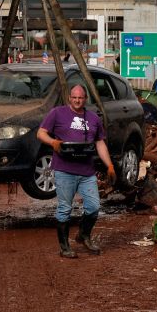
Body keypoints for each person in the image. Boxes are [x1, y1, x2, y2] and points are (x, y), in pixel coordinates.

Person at [37, 84, 115, 258]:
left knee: (94, 207)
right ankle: (64, 247)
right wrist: (53, 143)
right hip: (65, 169)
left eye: (80, 98)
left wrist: (109, 165)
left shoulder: (93, 118)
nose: (77, 100)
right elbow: (41, 133)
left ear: (85, 99)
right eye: (74, 97)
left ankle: (83, 235)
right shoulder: (57, 113)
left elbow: (100, 143)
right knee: (65, 208)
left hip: (87, 171)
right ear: (69, 98)